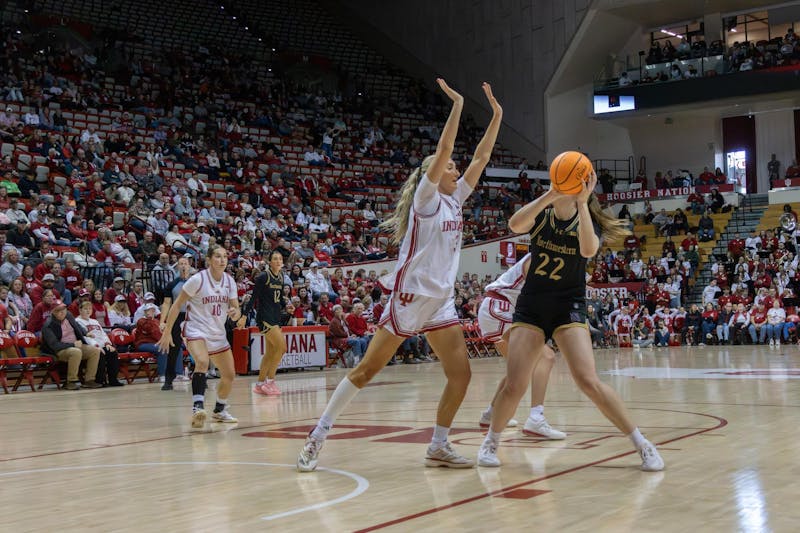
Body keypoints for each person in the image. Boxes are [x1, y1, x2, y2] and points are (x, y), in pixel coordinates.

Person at [297, 79, 501, 472]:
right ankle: (317, 435)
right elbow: (445, 149)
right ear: (432, 173)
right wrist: (458, 105)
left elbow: (482, 157)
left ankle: (438, 445)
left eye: (455, 166)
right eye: (449, 166)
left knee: (461, 374)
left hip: (440, 300)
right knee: (366, 371)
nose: (457, 168)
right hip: (410, 295)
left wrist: (497, 116)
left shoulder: (456, 199)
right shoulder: (426, 199)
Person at [477, 171, 664, 471]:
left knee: (588, 381)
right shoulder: (542, 215)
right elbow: (514, 225)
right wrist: (550, 194)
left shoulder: (588, 222)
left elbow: (588, 249)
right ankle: (491, 442)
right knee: (514, 385)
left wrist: (582, 202)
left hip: (568, 305)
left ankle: (642, 444)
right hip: (532, 305)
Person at [476, 252, 565, 439]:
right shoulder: (540, 257)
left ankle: (491, 414)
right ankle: (536, 418)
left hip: (497, 309)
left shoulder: (554, 262)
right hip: (500, 307)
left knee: (517, 370)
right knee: (546, 357)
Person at [157, 245, 243, 428]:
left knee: (229, 375)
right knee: (202, 362)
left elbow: (236, 309)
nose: (222, 260)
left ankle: (219, 410)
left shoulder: (229, 281)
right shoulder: (197, 280)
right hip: (195, 329)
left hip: (217, 333)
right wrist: (167, 331)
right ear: (209, 260)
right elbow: (176, 305)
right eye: (218, 256)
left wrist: (236, 313)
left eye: (225, 256)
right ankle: (198, 408)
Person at [241, 250, 288, 396]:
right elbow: (253, 297)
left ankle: (260, 384)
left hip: (276, 317)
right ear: (269, 262)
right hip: (265, 317)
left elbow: (279, 299)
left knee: (271, 352)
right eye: (275, 259)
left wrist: (287, 306)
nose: (278, 261)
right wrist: (244, 315)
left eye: (280, 259)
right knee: (282, 348)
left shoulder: (281, 276)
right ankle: (270, 381)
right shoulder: (263, 276)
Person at [41, 300, 103, 390]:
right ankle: (70, 381)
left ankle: (89, 380)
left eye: (64, 309)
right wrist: (73, 345)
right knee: (76, 352)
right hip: (58, 351)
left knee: (95, 350)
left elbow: (77, 325)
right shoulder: (48, 325)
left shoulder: (68, 315)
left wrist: (85, 333)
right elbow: (55, 345)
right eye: (58, 310)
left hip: (75, 345)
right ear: (53, 312)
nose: (62, 312)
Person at [158, 256, 193, 391]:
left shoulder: (195, 282)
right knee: (173, 348)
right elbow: (167, 304)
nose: (183, 265)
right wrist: (162, 321)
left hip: (193, 317)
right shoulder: (172, 284)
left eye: (185, 263)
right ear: (177, 267)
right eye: (181, 263)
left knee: (198, 346)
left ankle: (200, 376)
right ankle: (169, 379)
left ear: (189, 266)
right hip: (177, 317)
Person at [75, 300, 124, 387]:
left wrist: (107, 344)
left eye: (90, 309)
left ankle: (113, 380)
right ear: (80, 310)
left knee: (112, 352)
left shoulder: (95, 321)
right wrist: (96, 346)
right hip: (90, 346)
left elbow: (103, 334)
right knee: (99, 354)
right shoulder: (77, 321)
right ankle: (100, 380)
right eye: (85, 309)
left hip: (102, 344)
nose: (88, 311)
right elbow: (85, 337)